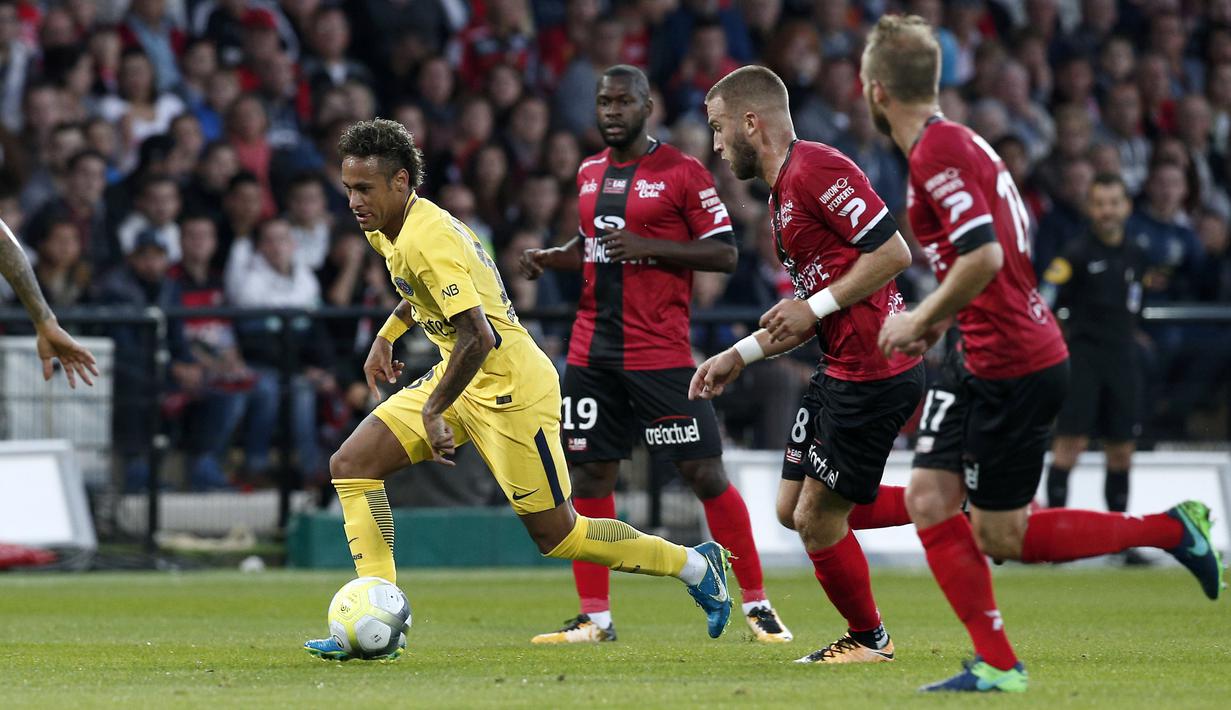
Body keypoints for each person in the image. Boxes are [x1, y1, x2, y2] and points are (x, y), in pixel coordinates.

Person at [863, 15, 1224, 694]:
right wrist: (946, 321)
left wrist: (923, 313)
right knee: (930, 498)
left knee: (1002, 535)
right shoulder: (960, 144)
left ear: (875, 89)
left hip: (1012, 359)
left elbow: (987, 255)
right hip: (980, 349)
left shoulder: (938, 153)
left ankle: (1171, 530)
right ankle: (997, 664)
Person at [303, 119, 733, 661]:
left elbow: (479, 335)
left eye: (364, 189)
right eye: (348, 189)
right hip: (459, 374)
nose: (354, 201)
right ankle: (376, 611)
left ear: (401, 182)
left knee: (560, 535)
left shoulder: (425, 237)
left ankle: (695, 565)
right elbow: (424, 295)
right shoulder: (387, 228)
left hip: (512, 389)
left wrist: (434, 409)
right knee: (353, 465)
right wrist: (387, 336)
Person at [518, 65, 787, 645]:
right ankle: (596, 617)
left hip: (659, 353)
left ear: (648, 104)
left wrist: (648, 246)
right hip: (592, 352)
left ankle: (758, 604)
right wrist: (554, 256)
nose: (611, 110)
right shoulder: (589, 172)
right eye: (603, 101)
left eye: (623, 101)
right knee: (589, 475)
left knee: (704, 473)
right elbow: (595, 247)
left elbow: (724, 254)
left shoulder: (683, 172)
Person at [699, 65, 924, 664]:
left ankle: (870, 641)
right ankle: (948, 501)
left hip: (875, 369)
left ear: (752, 122)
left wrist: (814, 305)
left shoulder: (817, 168)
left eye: (720, 129)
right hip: (839, 368)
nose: (717, 146)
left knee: (817, 521)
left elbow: (894, 251)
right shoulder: (781, 198)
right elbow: (807, 311)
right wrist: (738, 355)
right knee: (790, 510)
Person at [1041, 174, 1150, 564]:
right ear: (1091, 208)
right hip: (1083, 361)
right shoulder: (1074, 254)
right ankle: (1051, 542)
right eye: (1100, 203)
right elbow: (1046, 300)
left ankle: (1120, 544)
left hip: (1123, 361)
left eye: (1114, 202)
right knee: (1069, 445)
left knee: (1121, 451)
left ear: (1126, 207)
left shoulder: (1136, 253)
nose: (1107, 211)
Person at [0, 216, 97, 387]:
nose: (65, 247)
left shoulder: (85, 282)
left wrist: (46, 323)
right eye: (60, 240)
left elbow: (3, 242)